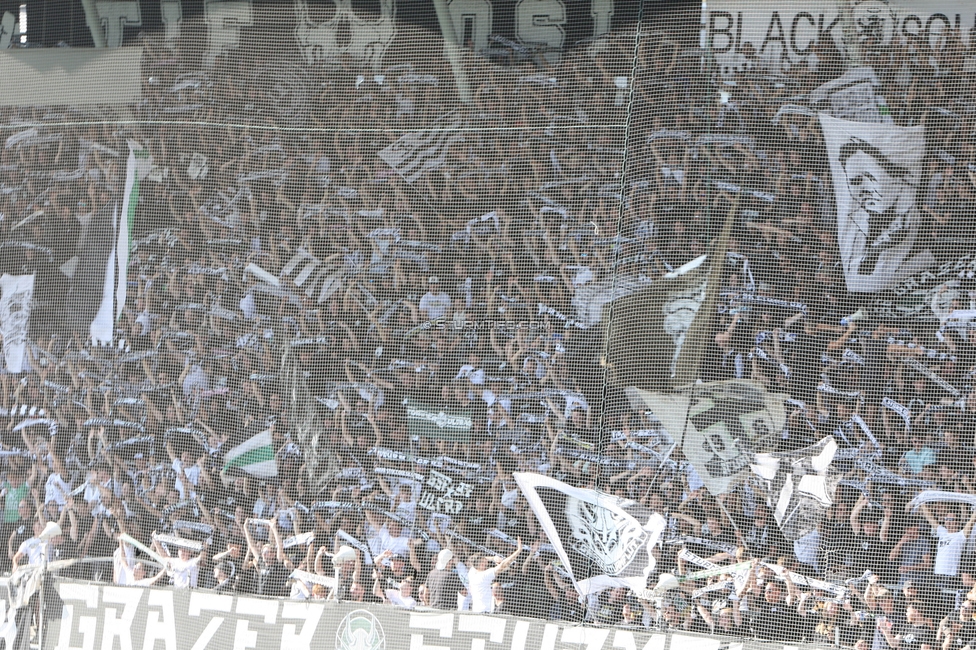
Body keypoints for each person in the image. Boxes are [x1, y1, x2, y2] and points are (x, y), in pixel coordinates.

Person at [836, 137, 933, 292]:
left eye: (872, 177)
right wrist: (875, 251)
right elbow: (857, 276)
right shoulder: (854, 222)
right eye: (855, 182)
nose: (865, 189)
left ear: (891, 173)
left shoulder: (917, 211)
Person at [466, 539, 522, 614]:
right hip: (483, 613)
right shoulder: (484, 576)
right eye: (484, 561)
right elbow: (503, 565)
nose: (487, 561)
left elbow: (476, 558)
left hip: (476, 611)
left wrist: (493, 558)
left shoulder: (472, 572)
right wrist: (518, 551)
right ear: (482, 564)